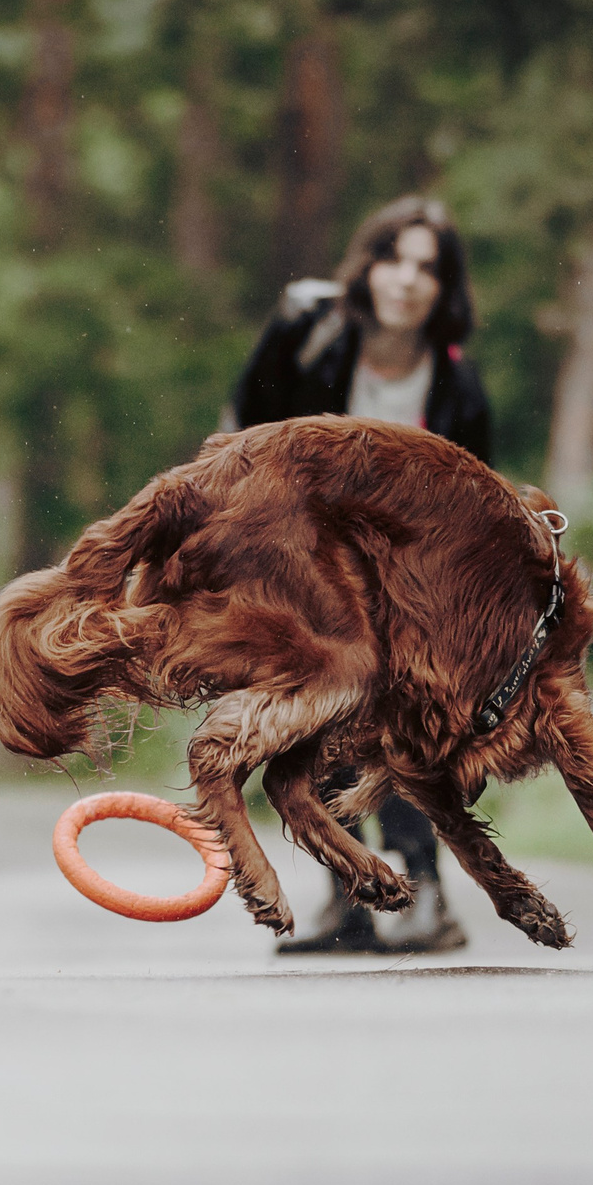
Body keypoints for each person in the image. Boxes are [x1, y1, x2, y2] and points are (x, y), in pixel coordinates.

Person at [221, 194, 495, 954]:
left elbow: (476, 507)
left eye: (427, 269)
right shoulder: (309, 339)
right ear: (368, 267)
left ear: (445, 289)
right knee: (315, 724)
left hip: (408, 588)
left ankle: (424, 894)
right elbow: (247, 431)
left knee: (399, 728)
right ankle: (348, 897)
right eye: (394, 260)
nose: (407, 280)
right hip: (304, 568)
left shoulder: (456, 387)